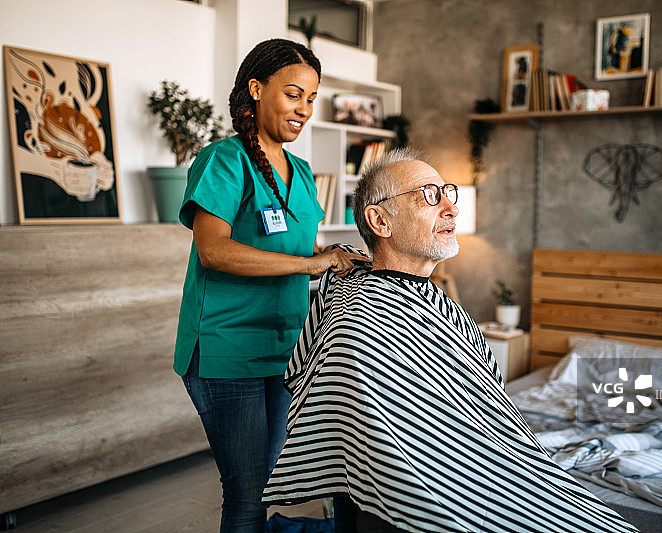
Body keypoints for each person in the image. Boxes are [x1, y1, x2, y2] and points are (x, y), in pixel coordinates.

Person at [262, 148, 637, 532]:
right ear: (380, 220)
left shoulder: (444, 306)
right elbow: (393, 456)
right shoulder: (360, 321)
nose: (451, 208)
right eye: (429, 194)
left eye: (448, 193)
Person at [173, 39, 363, 533]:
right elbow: (214, 250)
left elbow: (309, 248)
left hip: (284, 353)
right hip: (225, 350)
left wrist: (346, 263)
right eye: (294, 94)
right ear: (256, 90)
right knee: (248, 490)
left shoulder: (300, 172)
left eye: (312, 98)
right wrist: (308, 264)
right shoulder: (224, 160)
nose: (304, 108)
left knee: (269, 482)